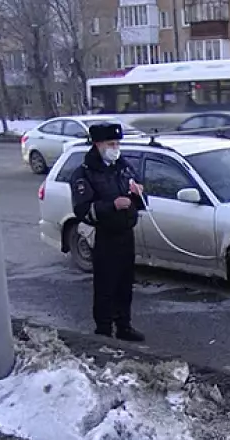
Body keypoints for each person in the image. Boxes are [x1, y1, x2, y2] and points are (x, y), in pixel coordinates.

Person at [69, 123, 146, 342]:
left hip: (126, 234)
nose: (116, 147)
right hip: (104, 236)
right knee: (105, 286)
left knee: (125, 283)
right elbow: (83, 210)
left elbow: (140, 202)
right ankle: (103, 331)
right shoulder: (84, 173)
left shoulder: (123, 167)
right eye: (111, 143)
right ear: (98, 144)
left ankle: (124, 326)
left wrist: (137, 194)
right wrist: (112, 204)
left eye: (117, 143)